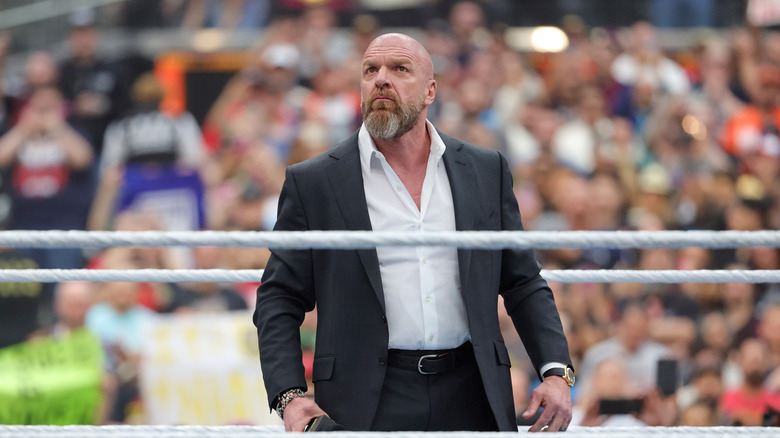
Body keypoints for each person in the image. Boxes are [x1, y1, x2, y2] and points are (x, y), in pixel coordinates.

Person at [254, 33, 573, 432]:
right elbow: (278, 296)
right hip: (364, 396)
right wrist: (288, 395)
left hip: (472, 388)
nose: (381, 79)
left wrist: (557, 370)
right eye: (370, 70)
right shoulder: (315, 181)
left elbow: (523, 281)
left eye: (399, 69)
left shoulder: (485, 170)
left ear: (430, 91)